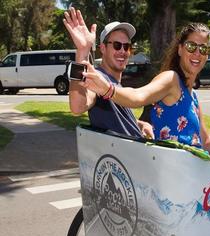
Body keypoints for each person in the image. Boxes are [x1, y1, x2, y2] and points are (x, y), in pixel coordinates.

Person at [78, 22, 210, 156]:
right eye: (191, 46)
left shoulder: (193, 96)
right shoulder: (171, 79)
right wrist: (107, 89)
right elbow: (138, 96)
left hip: (192, 180)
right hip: (170, 183)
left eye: (203, 48)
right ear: (180, 49)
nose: (197, 53)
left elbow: (206, 143)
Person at [63, 7, 153, 138]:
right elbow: (78, 107)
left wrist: (140, 124)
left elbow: (118, 119)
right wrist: (82, 52)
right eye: (117, 45)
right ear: (103, 48)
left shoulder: (116, 84)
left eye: (126, 46)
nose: (122, 51)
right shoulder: (99, 78)